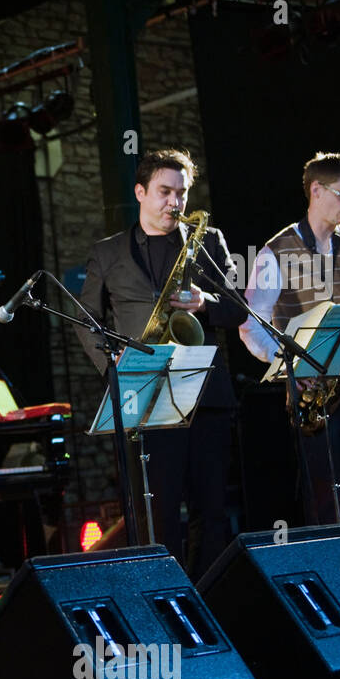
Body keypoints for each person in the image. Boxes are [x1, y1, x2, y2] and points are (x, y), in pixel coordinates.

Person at [75, 148, 241, 579]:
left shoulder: (208, 240)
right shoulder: (107, 251)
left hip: (206, 392)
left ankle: (210, 603)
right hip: (145, 395)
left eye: (182, 193)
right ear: (140, 192)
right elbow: (84, 321)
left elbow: (239, 309)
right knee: (158, 512)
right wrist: (114, 370)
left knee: (212, 509)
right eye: (165, 192)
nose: (175, 202)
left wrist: (206, 302)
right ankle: (165, 601)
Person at [239, 152, 340, 550]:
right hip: (313, 400)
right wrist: (286, 365)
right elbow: (252, 326)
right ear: (316, 191)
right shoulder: (275, 251)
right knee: (328, 509)